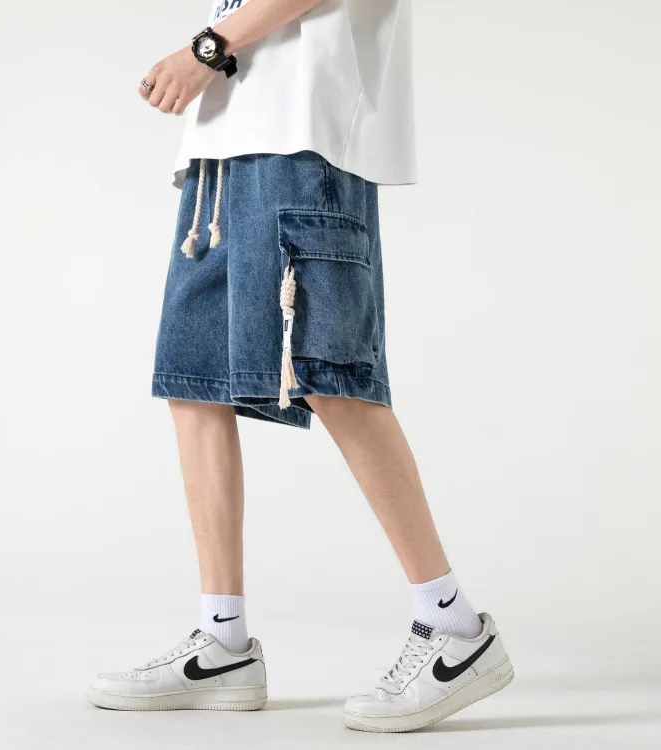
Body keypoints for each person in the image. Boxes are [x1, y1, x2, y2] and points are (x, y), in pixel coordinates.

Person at [86, 0, 513, 733]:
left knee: (331, 375)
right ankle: (223, 642)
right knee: (194, 381)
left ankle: (454, 625)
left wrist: (207, 48)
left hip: (305, 142)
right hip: (222, 150)